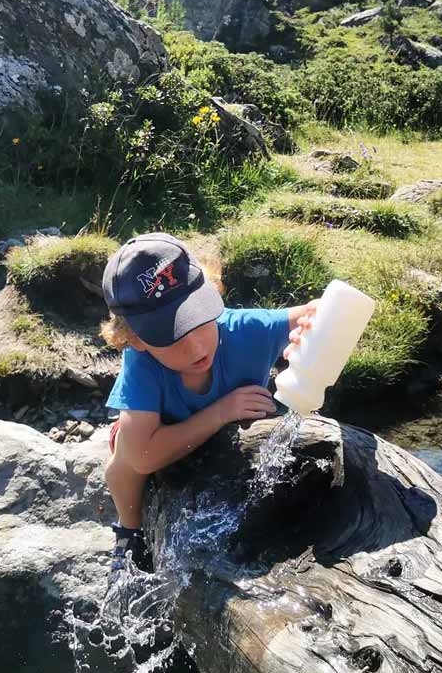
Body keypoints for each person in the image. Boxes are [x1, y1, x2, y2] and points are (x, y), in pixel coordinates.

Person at [100, 232, 317, 574]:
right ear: (135, 340)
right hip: (162, 441)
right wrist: (221, 412)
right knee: (123, 467)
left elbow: (316, 313)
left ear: (211, 293)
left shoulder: (249, 331)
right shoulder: (141, 362)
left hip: (231, 447)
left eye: (199, 321)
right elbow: (143, 456)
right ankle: (130, 533)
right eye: (173, 335)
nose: (196, 347)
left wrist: (313, 333)